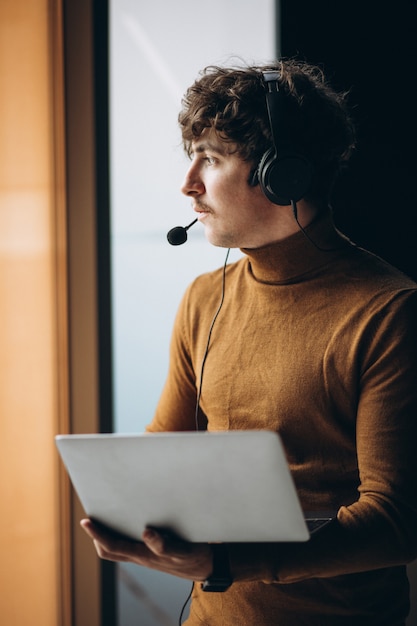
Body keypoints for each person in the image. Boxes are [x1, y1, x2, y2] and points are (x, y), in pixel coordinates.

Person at [81, 59, 417, 625]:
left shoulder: (388, 312)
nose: (187, 184)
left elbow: (397, 520)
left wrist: (225, 560)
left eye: (210, 159)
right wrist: (131, 511)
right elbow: (167, 450)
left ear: (281, 174)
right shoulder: (203, 298)